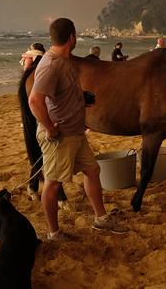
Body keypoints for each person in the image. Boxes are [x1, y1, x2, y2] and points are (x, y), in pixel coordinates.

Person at [28, 18, 127, 240]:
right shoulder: (51, 64)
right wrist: (50, 129)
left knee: (92, 171)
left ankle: (101, 219)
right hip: (59, 135)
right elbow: (34, 101)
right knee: (53, 184)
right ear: (71, 37)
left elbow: (61, 93)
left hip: (75, 132)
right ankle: (54, 232)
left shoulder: (66, 60)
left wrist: (81, 99)